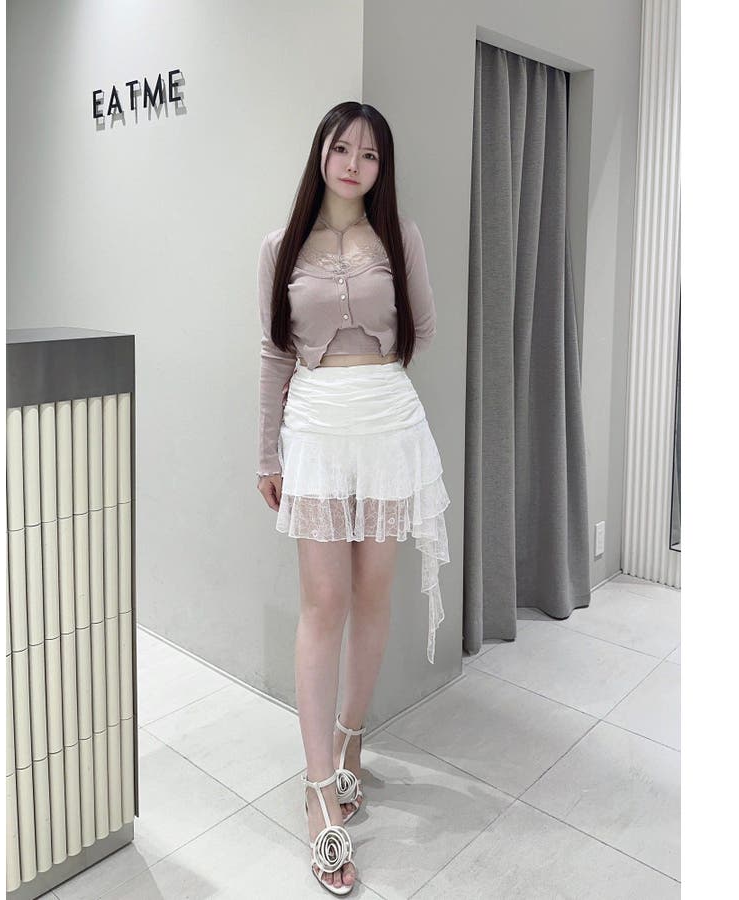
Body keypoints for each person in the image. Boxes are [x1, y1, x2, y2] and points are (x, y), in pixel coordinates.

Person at [255, 101, 450, 894]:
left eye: (370, 155)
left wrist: (373, 375)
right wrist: (265, 451)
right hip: (314, 429)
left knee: (373, 596)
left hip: (387, 424)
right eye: (343, 149)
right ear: (322, 154)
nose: (354, 165)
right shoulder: (280, 247)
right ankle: (317, 794)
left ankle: (352, 741)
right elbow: (273, 352)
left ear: (381, 167)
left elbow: (424, 328)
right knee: (323, 603)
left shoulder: (401, 238)